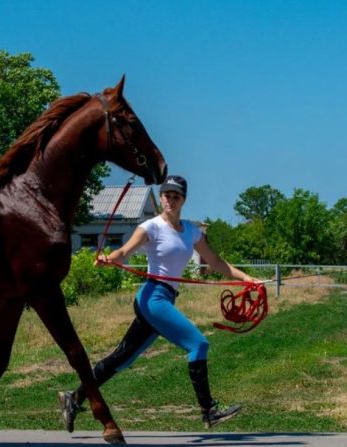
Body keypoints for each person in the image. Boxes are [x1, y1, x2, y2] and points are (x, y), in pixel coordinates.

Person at [58, 175, 260, 432]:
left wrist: (246, 278)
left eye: (175, 196)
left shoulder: (191, 231)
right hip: (152, 298)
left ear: (183, 200)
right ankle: (208, 411)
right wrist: (112, 258)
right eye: (166, 195)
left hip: (165, 298)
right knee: (198, 343)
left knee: (122, 359)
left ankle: (73, 399)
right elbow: (125, 251)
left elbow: (216, 262)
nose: (169, 200)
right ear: (161, 197)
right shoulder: (150, 227)